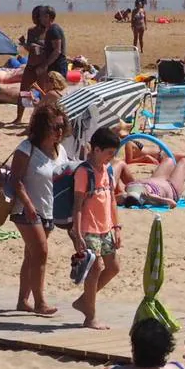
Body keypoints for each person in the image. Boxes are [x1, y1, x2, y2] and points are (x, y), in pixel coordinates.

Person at [9, 104, 66, 317]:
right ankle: (40, 302)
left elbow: (64, 179)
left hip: (48, 209)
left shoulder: (61, 151)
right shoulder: (26, 148)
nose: (59, 131)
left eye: (61, 126)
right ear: (43, 126)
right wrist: (29, 205)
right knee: (41, 253)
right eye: (54, 127)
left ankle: (23, 300)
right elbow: (15, 180)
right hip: (26, 209)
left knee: (31, 255)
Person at [69, 128, 121, 330]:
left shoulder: (107, 169)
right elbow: (78, 204)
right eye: (109, 153)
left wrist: (117, 227)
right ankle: (90, 317)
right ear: (96, 150)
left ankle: (84, 301)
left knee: (113, 267)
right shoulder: (84, 172)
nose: (111, 157)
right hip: (88, 228)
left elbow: (112, 200)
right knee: (95, 269)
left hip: (106, 227)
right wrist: (78, 232)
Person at [119, 155, 185, 207]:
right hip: (171, 188)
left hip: (156, 180)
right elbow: (172, 203)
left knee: (169, 160)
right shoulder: (150, 197)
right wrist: (154, 198)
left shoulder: (127, 192)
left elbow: (115, 198)